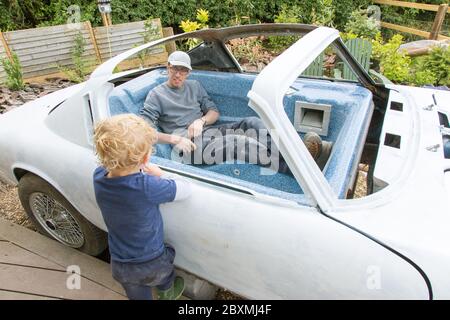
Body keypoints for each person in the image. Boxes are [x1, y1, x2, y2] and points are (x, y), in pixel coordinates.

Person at [140, 50, 332, 173]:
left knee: (251, 122)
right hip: (189, 147)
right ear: (168, 67)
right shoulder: (156, 95)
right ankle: (300, 167)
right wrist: (175, 139)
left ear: (189, 72)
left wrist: (201, 121)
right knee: (237, 142)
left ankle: (300, 154)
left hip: (208, 132)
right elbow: (142, 132)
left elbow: (214, 113)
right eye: (175, 69)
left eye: (183, 70)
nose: (179, 74)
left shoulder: (194, 86)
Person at [92, 114, 191, 300]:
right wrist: (160, 174)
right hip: (152, 262)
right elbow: (185, 190)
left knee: (138, 295)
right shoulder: (147, 186)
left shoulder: (98, 176)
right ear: (146, 158)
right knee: (167, 263)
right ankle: (167, 291)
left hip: (120, 264)